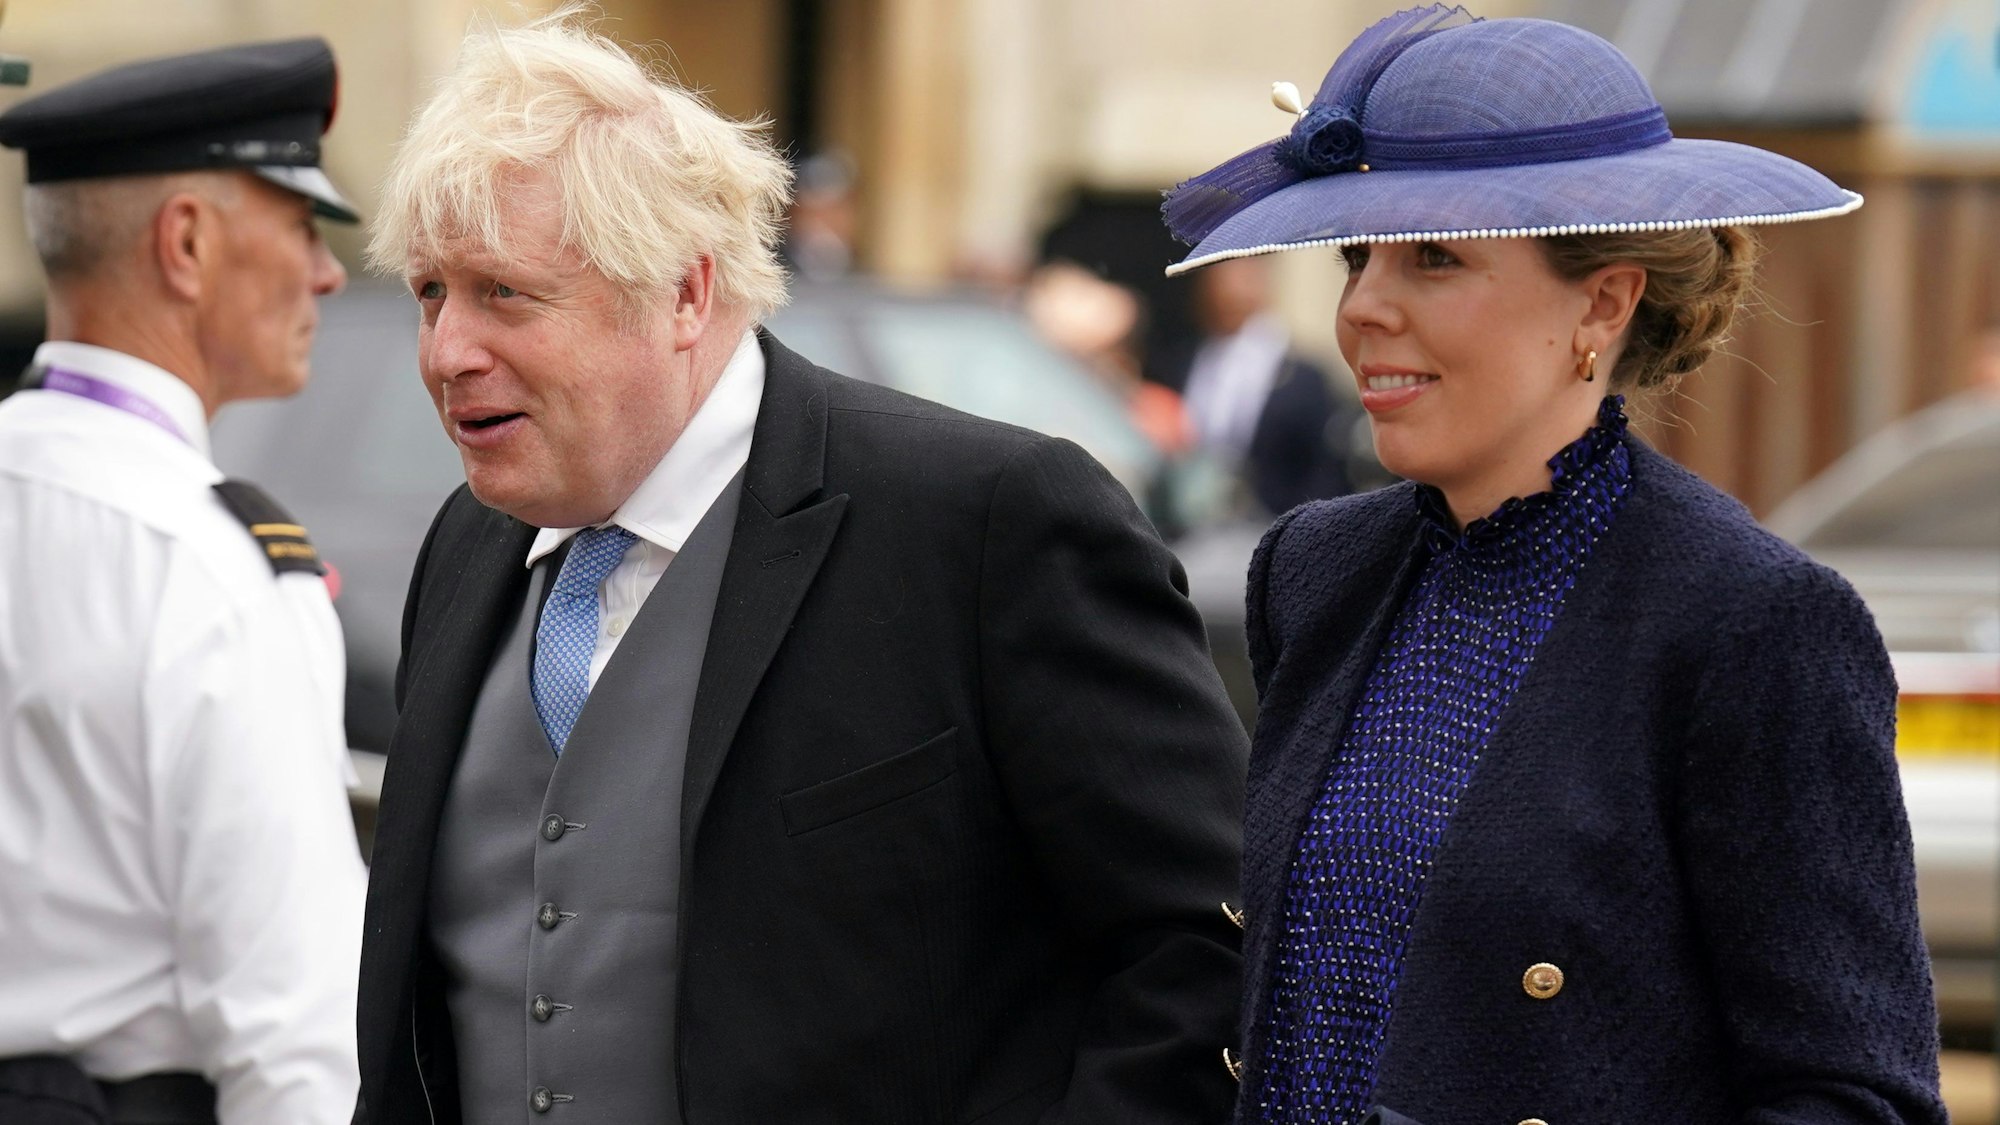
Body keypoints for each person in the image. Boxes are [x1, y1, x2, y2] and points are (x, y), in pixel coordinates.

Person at [354, 12, 1246, 1123]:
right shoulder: (466, 548)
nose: (446, 353)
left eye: (504, 294)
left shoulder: (984, 524)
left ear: (684, 292)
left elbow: (1199, 946)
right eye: (429, 293)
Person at [1161, 7, 1946, 1125]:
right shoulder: (1311, 569)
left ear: (1603, 301)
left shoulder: (1750, 621)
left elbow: (1853, 1097)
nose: (1362, 307)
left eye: (1433, 257)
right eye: (1354, 256)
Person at [0, 38, 365, 1125]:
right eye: (303, 226)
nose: (328, 271)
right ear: (189, 242)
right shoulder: (211, 565)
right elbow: (292, 1032)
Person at [1150, 257, 1361, 514]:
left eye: (1243, 277)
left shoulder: (1302, 375)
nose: (1229, 291)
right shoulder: (1186, 362)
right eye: (1218, 279)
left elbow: (1324, 465)